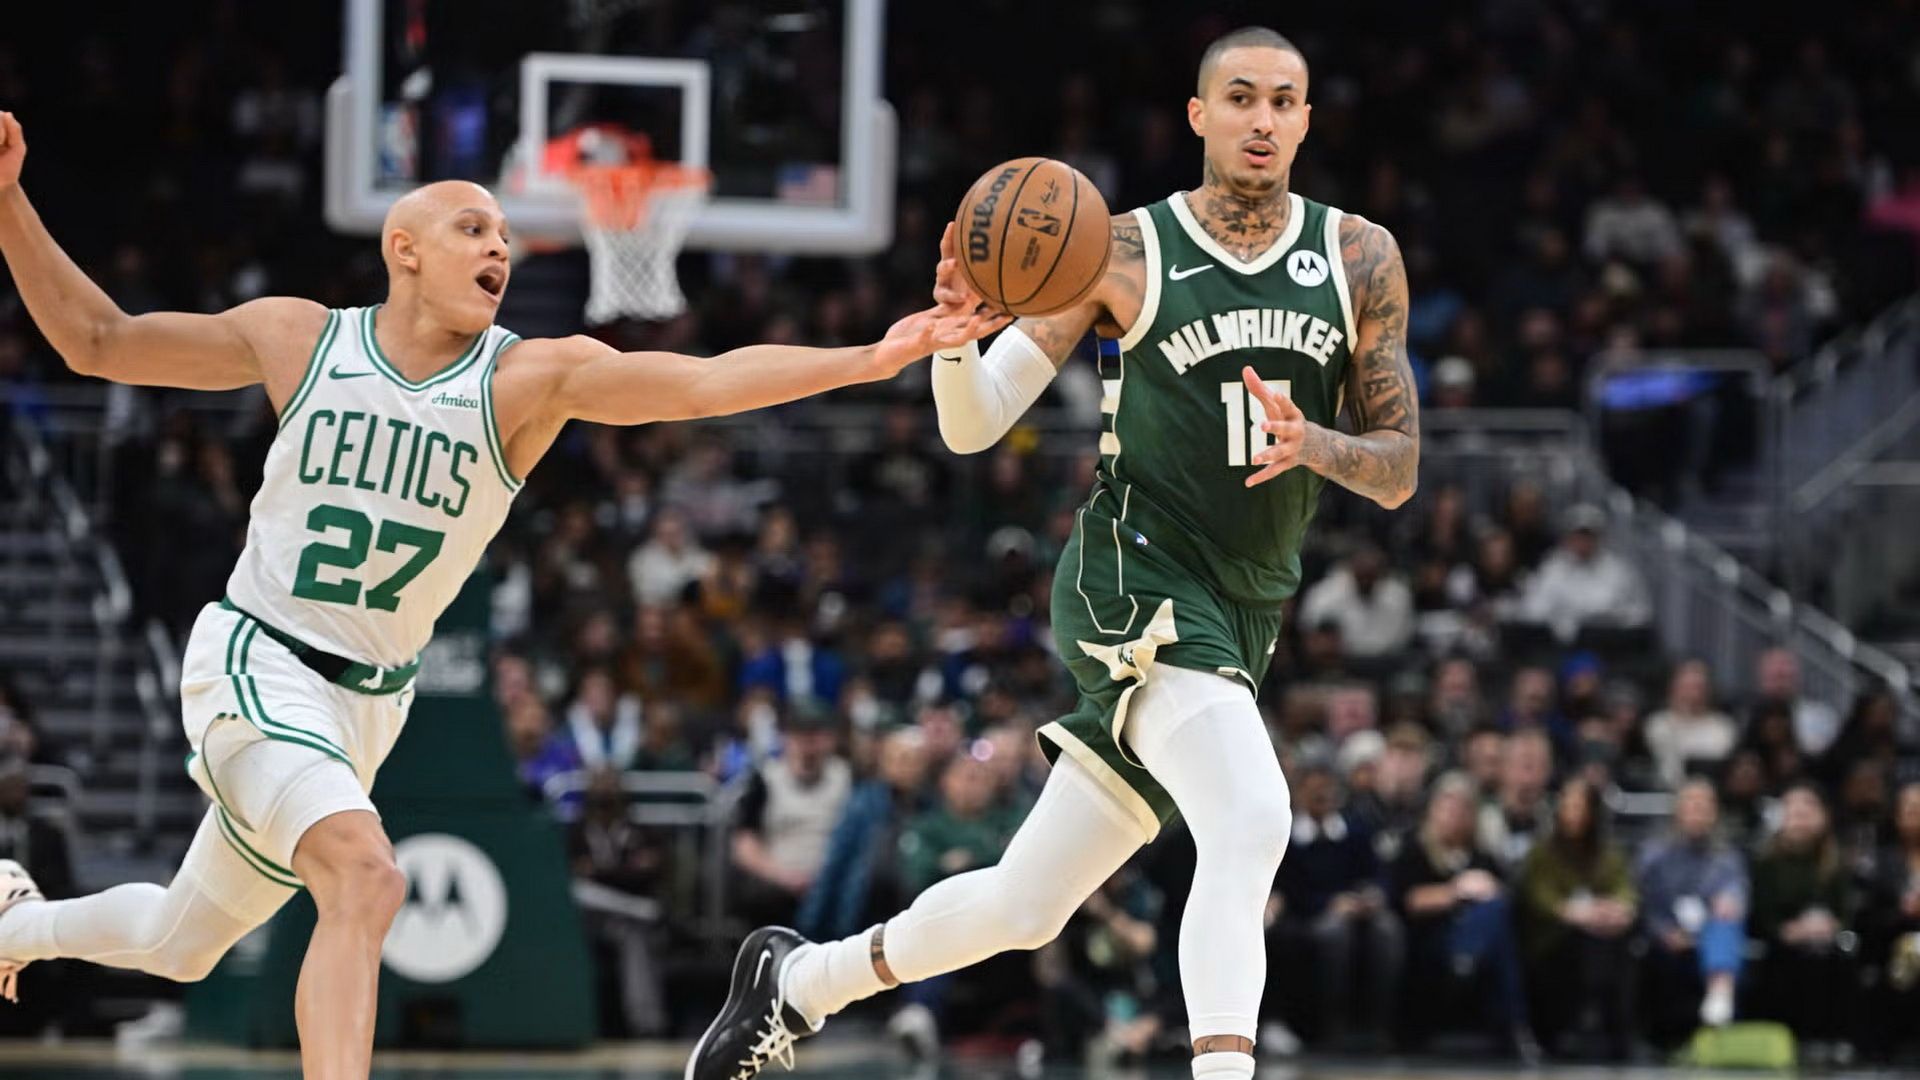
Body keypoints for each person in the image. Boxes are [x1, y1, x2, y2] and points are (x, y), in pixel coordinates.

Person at [0, 108, 1001, 1080]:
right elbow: (98, 339)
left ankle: (15, 924)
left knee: (182, 943)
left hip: (365, 705)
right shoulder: (301, 339)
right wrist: (7, 198)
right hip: (259, 658)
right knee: (367, 877)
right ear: (403, 249)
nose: (499, 249)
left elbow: (702, 383)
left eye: (508, 238)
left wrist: (873, 357)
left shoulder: (526, 380)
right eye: (472, 228)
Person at [685, 27, 1422, 1080]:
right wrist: (954, 344)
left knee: (1027, 906)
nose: (1261, 119)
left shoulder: (1359, 256)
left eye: (1282, 101)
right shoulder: (1116, 249)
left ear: (1305, 120)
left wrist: (1317, 445)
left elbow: (1397, 468)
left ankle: (799, 981)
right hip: (1135, 578)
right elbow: (977, 421)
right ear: (1199, 115)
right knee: (1253, 816)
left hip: (1246, 611)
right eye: (1240, 97)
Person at [1388, 773, 1535, 1060]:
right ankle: (1516, 1025)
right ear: (1433, 811)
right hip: (1430, 936)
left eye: (1463, 809)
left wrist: (1490, 888)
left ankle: (1468, 959)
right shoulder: (1415, 849)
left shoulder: (1482, 856)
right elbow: (1409, 900)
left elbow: (1505, 897)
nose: (1454, 816)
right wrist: (1457, 891)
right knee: (1497, 928)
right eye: (1448, 808)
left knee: (1498, 915)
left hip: (1482, 939)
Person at [1517, 777, 1637, 1058]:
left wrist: (1618, 910)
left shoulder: (1609, 855)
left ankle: (1614, 1033)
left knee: (1613, 945)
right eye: (1568, 807)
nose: (1573, 814)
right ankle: (1571, 1029)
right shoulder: (1542, 854)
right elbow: (1540, 899)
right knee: (1588, 947)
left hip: (1601, 934)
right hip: (1552, 940)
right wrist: (1579, 913)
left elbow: (1625, 893)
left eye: (1579, 807)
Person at [1747, 783, 1856, 1055]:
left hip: (1826, 940)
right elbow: (1761, 913)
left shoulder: (1835, 863)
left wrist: (1831, 926)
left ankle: (1833, 1037)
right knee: (1790, 959)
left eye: (1807, 811)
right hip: (1781, 940)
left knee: (1835, 956)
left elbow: (1846, 911)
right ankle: (1792, 1036)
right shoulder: (1764, 862)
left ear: (1823, 817)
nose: (1800, 818)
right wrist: (1787, 931)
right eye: (1793, 811)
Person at [1636, 780, 1748, 1044]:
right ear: (1678, 810)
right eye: (1692, 804)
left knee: (1727, 917)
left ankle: (1720, 991)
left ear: (1715, 812)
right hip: (1665, 935)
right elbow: (1643, 903)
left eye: (1704, 805)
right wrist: (1665, 932)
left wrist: (1729, 901)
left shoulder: (1727, 857)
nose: (1698, 811)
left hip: (1711, 936)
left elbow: (1737, 891)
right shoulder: (1653, 854)